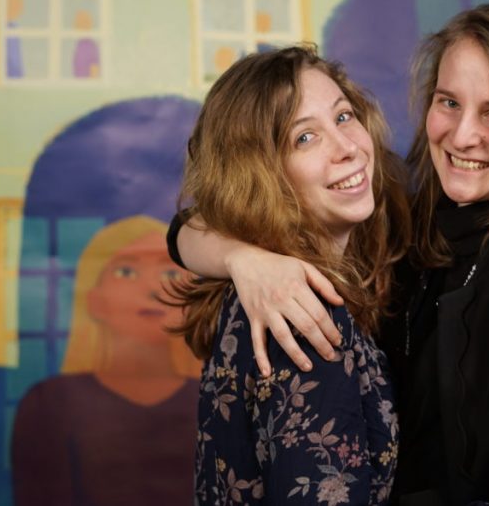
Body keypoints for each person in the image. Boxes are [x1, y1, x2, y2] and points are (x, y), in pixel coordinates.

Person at [171, 3, 489, 505]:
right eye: (449, 102)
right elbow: (194, 224)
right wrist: (244, 260)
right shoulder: (403, 216)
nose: (462, 135)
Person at [165, 46, 410, 504]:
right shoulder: (299, 309)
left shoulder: (261, 287)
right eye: (305, 138)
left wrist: (239, 256)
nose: (347, 148)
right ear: (261, 175)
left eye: (343, 116)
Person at [11, 215, 199, 506]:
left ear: (190, 298)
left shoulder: (216, 399)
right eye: (126, 272)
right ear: (95, 301)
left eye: (170, 274)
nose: (152, 288)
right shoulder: (50, 403)